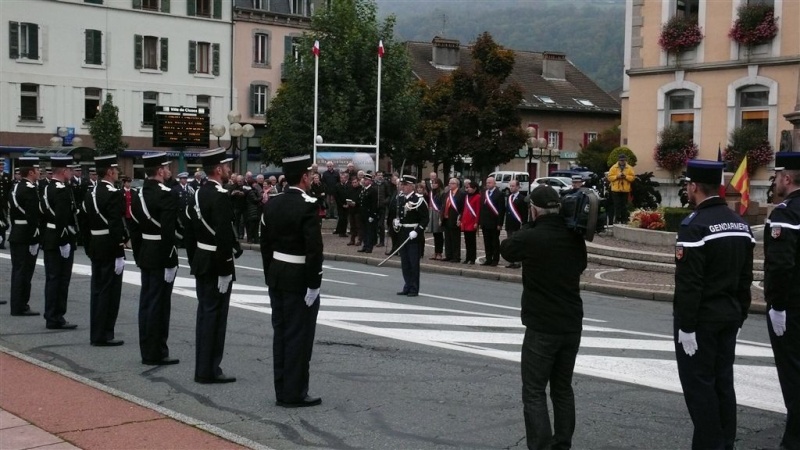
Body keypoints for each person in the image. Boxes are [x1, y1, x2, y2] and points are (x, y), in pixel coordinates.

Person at [673, 160, 754, 450]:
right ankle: (725, 442)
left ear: (694, 186)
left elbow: (690, 283)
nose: (686, 189)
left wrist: (687, 326)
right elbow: (746, 277)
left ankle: (710, 445)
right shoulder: (740, 223)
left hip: (702, 321)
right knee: (723, 383)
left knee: (700, 389)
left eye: (687, 185)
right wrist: (741, 313)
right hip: (729, 315)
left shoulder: (695, 226)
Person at [499, 185, 587, 450]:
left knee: (534, 391)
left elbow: (506, 249)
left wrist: (527, 226)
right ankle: (562, 443)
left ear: (534, 210)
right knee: (562, 388)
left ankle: (540, 446)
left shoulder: (531, 237)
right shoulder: (574, 236)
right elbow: (580, 265)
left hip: (542, 325)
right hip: (571, 323)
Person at [260, 154, 324, 408]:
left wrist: (270, 274)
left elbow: (265, 244)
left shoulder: (272, 204)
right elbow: (313, 250)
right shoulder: (308, 204)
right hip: (299, 279)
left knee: (281, 334)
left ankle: (281, 389)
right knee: (299, 337)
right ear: (305, 177)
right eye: (310, 175)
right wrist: (314, 283)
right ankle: (295, 392)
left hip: (277, 275)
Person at [191, 148, 241, 384]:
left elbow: (191, 229)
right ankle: (210, 369)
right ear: (218, 169)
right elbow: (222, 235)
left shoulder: (198, 192)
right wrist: (225, 269)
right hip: (216, 262)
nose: (229, 169)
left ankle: (203, 367)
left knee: (204, 315)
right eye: (226, 166)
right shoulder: (220, 195)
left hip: (202, 259)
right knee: (215, 317)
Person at [129, 152, 180, 366]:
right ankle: (157, 351)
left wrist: (139, 253)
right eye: (166, 168)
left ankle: (146, 349)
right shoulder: (166, 194)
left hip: (146, 251)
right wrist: (170, 259)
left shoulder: (138, 194)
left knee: (146, 303)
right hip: (161, 253)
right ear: (159, 171)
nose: (168, 171)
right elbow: (168, 231)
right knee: (159, 306)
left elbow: (133, 226)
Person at [764, 152, 800, 450]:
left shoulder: (785, 213)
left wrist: (777, 306)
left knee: (793, 374)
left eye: (777, 176)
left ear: (787, 179)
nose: (775, 181)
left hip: (794, 306)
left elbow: (780, 266)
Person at [83, 155, 127, 346]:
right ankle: (105, 334)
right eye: (116, 170)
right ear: (109, 172)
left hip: (95, 244)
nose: (117, 173)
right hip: (109, 246)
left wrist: (88, 245)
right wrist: (119, 251)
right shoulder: (113, 193)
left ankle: (96, 332)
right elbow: (116, 225)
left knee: (97, 290)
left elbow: (83, 222)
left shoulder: (90, 192)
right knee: (109, 293)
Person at [40, 156, 80, 329]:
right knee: (61, 280)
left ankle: (50, 314)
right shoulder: (62, 190)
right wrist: (64, 241)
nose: (71, 173)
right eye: (70, 170)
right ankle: (57, 317)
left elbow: (43, 214)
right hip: (60, 238)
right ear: (64, 171)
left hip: (49, 237)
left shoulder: (47, 188)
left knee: (52, 279)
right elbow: (62, 218)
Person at [8, 157, 42, 316]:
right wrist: (35, 237)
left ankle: (17, 304)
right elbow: (33, 216)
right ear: (30, 172)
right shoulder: (29, 190)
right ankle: (21, 305)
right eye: (37, 170)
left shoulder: (16, 187)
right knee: (24, 272)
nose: (39, 172)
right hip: (27, 235)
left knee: (18, 271)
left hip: (17, 232)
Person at [394, 175, 429, 297]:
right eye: (402, 185)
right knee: (405, 263)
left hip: (414, 235)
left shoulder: (418, 200)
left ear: (410, 186)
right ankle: (407, 285)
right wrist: (397, 223)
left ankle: (414, 288)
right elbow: (400, 215)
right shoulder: (401, 199)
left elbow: (425, 219)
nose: (402, 187)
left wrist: (417, 231)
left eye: (404, 185)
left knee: (413, 263)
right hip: (403, 234)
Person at [480, 176, 505, 266]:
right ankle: (488, 259)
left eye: (489, 182)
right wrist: (480, 222)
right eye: (487, 183)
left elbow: (501, 210)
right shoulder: (484, 193)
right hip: (485, 223)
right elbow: (481, 208)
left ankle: (495, 259)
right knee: (487, 242)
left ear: (494, 184)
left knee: (494, 242)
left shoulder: (499, 194)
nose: (488, 184)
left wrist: (500, 223)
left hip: (494, 223)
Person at [503, 179, 527, 269]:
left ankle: (517, 261)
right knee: (510, 244)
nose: (511, 188)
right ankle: (511, 261)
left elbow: (524, 213)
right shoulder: (509, 197)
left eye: (513, 186)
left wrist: (523, 224)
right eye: (510, 186)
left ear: (517, 187)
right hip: (509, 224)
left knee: (517, 244)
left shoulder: (522, 198)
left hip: (517, 224)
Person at [606, 154, 635, 224]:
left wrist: (625, 177)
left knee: (624, 205)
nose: (622, 162)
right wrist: (617, 176)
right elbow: (609, 177)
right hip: (615, 190)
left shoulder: (629, 168)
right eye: (621, 160)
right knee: (617, 205)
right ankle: (617, 219)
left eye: (623, 160)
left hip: (625, 190)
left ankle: (624, 219)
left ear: (625, 160)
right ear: (618, 160)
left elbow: (633, 178)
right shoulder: (613, 167)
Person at [442, 178, 463, 263]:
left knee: (455, 239)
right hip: (446, 218)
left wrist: (460, 218)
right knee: (447, 238)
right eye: (449, 183)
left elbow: (462, 207)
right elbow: (444, 205)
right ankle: (448, 255)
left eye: (452, 183)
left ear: (456, 184)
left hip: (455, 219)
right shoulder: (447, 193)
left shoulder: (461, 194)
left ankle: (456, 256)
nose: (450, 185)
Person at [460, 180, 480, 265]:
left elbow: (478, 210)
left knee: (472, 241)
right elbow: (464, 209)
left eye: (470, 188)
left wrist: (476, 222)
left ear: (475, 189)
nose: (468, 189)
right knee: (467, 241)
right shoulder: (467, 197)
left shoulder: (478, 197)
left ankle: (472, 258)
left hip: (472, 222)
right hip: (466, 221)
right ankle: (467, 257)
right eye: (467, 188)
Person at [357, 173, 378, 253]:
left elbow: (374, 204)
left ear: (370, 181)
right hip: (363, 214)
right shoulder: (363, 189)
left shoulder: (372, 190)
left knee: (369, 231)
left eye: (366, 180)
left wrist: (372, 215)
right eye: (364, 180)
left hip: (369, 214)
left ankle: (369, 247)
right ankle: (365, 245)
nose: (364, 181)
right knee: (364, 231)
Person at [427, 177, 444, 260]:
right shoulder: (431, 192)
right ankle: (435, 252)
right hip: (432, 213)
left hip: (438, 214)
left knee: (439, 234)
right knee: (435, 234)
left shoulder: (441, 193)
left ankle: (439, 252)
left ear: (439, 184)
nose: (433, 185)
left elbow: (442, 205)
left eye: (435, 183)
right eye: (432, 183)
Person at [333, 171, 349, 237]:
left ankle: (344, 231)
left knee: (345, 219)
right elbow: (336, 197)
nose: (342, 179)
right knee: (341, 218)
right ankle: (341, 232)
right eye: (341, 178)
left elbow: (350, 195)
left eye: (344, 178)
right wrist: (342, 204)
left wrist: (348, 204)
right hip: (340, 205)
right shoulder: (337, 186)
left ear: (346, 179)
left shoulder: (348, 186)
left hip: (347, 204)